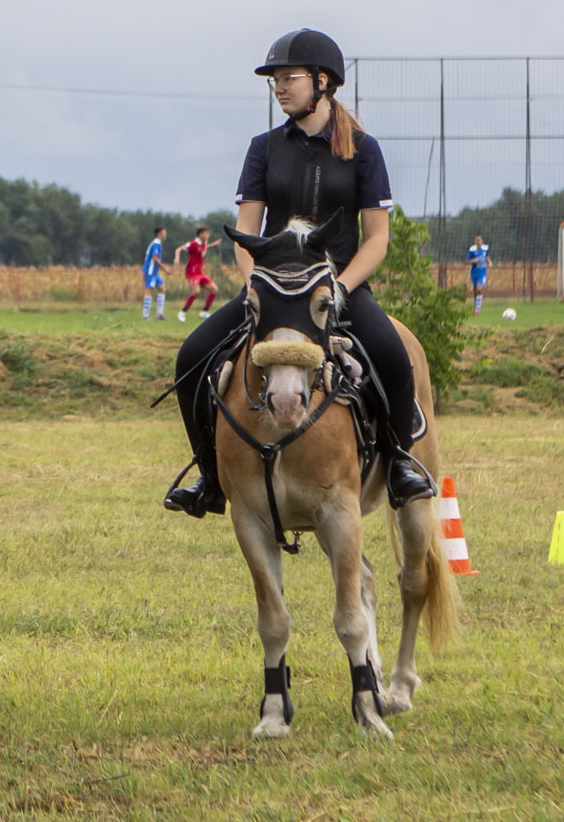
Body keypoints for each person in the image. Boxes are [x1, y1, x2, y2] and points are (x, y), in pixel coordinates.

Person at [165, 28, 436, 520]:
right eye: (275, 79)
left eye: (289, 77)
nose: (279, 87)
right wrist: (255, 286)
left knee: (395, 360)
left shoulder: (365, 150)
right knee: (191, 356)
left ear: (323, 82)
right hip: (271, 293)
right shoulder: (263, 148)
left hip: (339, 291)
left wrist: (340, 286)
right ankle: (209, 477)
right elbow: (246, 234)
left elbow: (376, 238)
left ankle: (399, 465)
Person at [176, 226, 219, 323]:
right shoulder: (193, 244)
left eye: (208, 233)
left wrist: (214, 244)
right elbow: (179, 249)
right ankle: (182, 312)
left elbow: (205, 247)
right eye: (205, 233)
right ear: (200, 234)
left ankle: (205, 311)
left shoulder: (205, 244)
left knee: (214, 289)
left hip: (200, 273)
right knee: (196, 292)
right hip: (192, 272)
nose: (207, 235)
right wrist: (177, 258)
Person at [141, 226, 171, 321]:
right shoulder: (156, 244)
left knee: (162, 289)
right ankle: (145, 316)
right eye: (163, 233)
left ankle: (159, 314)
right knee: (149, 291)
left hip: (154, 272)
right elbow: (155, 258)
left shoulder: (157, 244)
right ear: (158, 234)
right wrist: (165, 269)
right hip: (150, 271)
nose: (165, 234)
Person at [465, 234, 489, 314]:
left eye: (479, 240)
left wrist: (490, 262)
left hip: (482, 272)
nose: (478, 242)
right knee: (475, 291)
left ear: (482, 241)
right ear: (475, 241)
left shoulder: (485, 248)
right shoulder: (472, 250)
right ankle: (476, 305)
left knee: (479, 289)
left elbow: (486, 256)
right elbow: (467, 260)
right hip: (473, 272)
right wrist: (474, 260)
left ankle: (477, 310)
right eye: (476, 240)